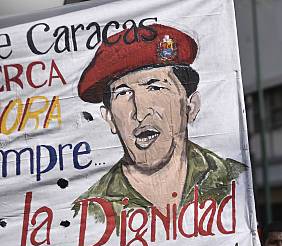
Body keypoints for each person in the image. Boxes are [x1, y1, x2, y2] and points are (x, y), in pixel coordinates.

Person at [74, 23, 246, 219]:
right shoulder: (89, 212)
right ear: (110, 118)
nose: (140, 113)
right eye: (123, 93)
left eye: (155, 87)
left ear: (190, 107)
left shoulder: (236, 183)